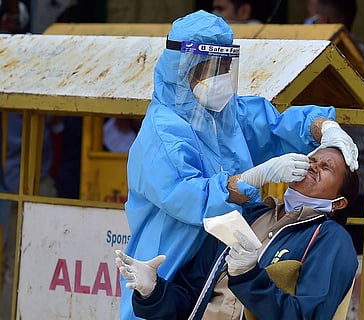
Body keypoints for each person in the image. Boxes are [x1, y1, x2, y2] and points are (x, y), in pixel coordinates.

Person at [120, 9, 343, 320]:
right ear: (181, 68)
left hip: (219, 265)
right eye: (210, 68)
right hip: (170, 265)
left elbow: (276, 125)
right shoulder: (163, 132)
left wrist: (324, 128)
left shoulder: (226, 114)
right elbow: (190, 197)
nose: (220, 78)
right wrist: (257, 176)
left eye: (225, 67)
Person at [116, 119, 359, 319]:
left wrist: (248, 276)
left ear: (338, 203)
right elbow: (191, 297)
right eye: (312, 159)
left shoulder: (331, 240)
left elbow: (305, 316)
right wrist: (153, 291)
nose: (313, 166)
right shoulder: (250, 216)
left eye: (327, 167)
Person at [305, 0, 364, 253]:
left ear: (323, 20)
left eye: (311, 16)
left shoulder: (307, 62)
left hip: (314, 185)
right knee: (355, 261)